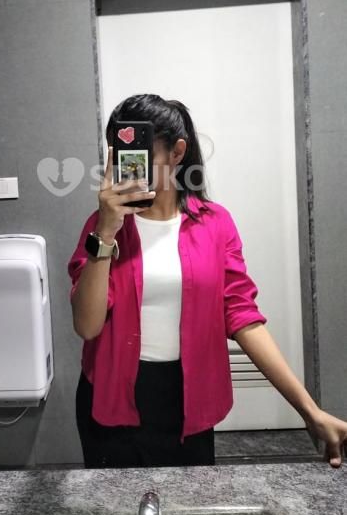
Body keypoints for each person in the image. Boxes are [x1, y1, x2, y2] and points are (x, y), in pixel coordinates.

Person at [67, 93, 347, 468]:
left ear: (177, 152)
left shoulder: (215, 224)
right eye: (120, 152)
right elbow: (87, 326)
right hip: (111, 397)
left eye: (143, 151)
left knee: (193, 504)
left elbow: (242, 316)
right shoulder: (101, 227)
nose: (129, 165)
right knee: (113, 505)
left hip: (188, 401)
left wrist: (309, 410)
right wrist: (105, 231)